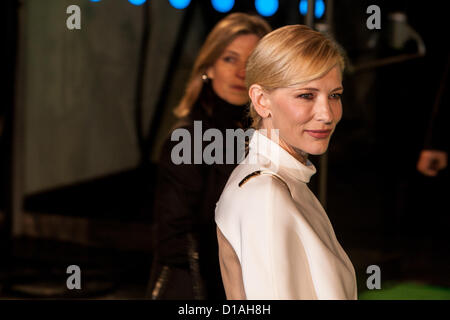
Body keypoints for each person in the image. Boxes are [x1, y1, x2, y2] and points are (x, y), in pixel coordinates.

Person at [215, 25, 357, 300]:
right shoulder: (267, 192)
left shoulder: (276, 179)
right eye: (306, 95)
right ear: (261, 99)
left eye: (334, 95)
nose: (326, 114)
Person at [148, 13, 271, 300]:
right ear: (209, 67)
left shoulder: (271, 137)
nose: (241, 72)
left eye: (251, 62)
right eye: (230, 59)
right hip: (210, 289)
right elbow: (175, 241)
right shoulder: (188, 138)